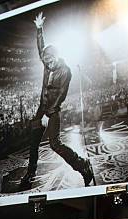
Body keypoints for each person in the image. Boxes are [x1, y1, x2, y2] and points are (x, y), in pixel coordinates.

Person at [20, 11, 94, 189]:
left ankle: (83, 166)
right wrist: (39, 29)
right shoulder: (47, 62)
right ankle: (30, 173)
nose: (48, 64)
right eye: (46, 61)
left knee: (55, 144)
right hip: (42, 108)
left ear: (57, 57)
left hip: (52, 110)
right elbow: (41, 48)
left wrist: (47, 114)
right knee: (33, 142)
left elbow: (61, 96)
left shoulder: (65, 70)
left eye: (50, 60)